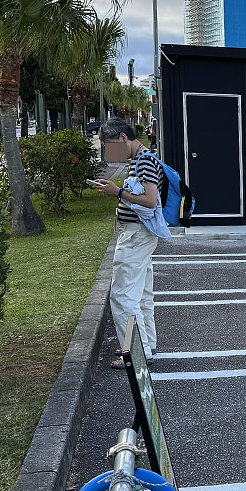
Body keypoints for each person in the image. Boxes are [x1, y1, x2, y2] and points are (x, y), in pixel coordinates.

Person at [90, 117, 166, 367]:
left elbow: (150, 201)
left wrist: (117, 192)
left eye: (109, 146)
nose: (109, 153)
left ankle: (136, 353)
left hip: (135, 235)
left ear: (123, 138)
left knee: (122, 295)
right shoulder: (143, 159)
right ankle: (146, 345)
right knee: (140, 294)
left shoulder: (143, 162)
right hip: (140, 234)